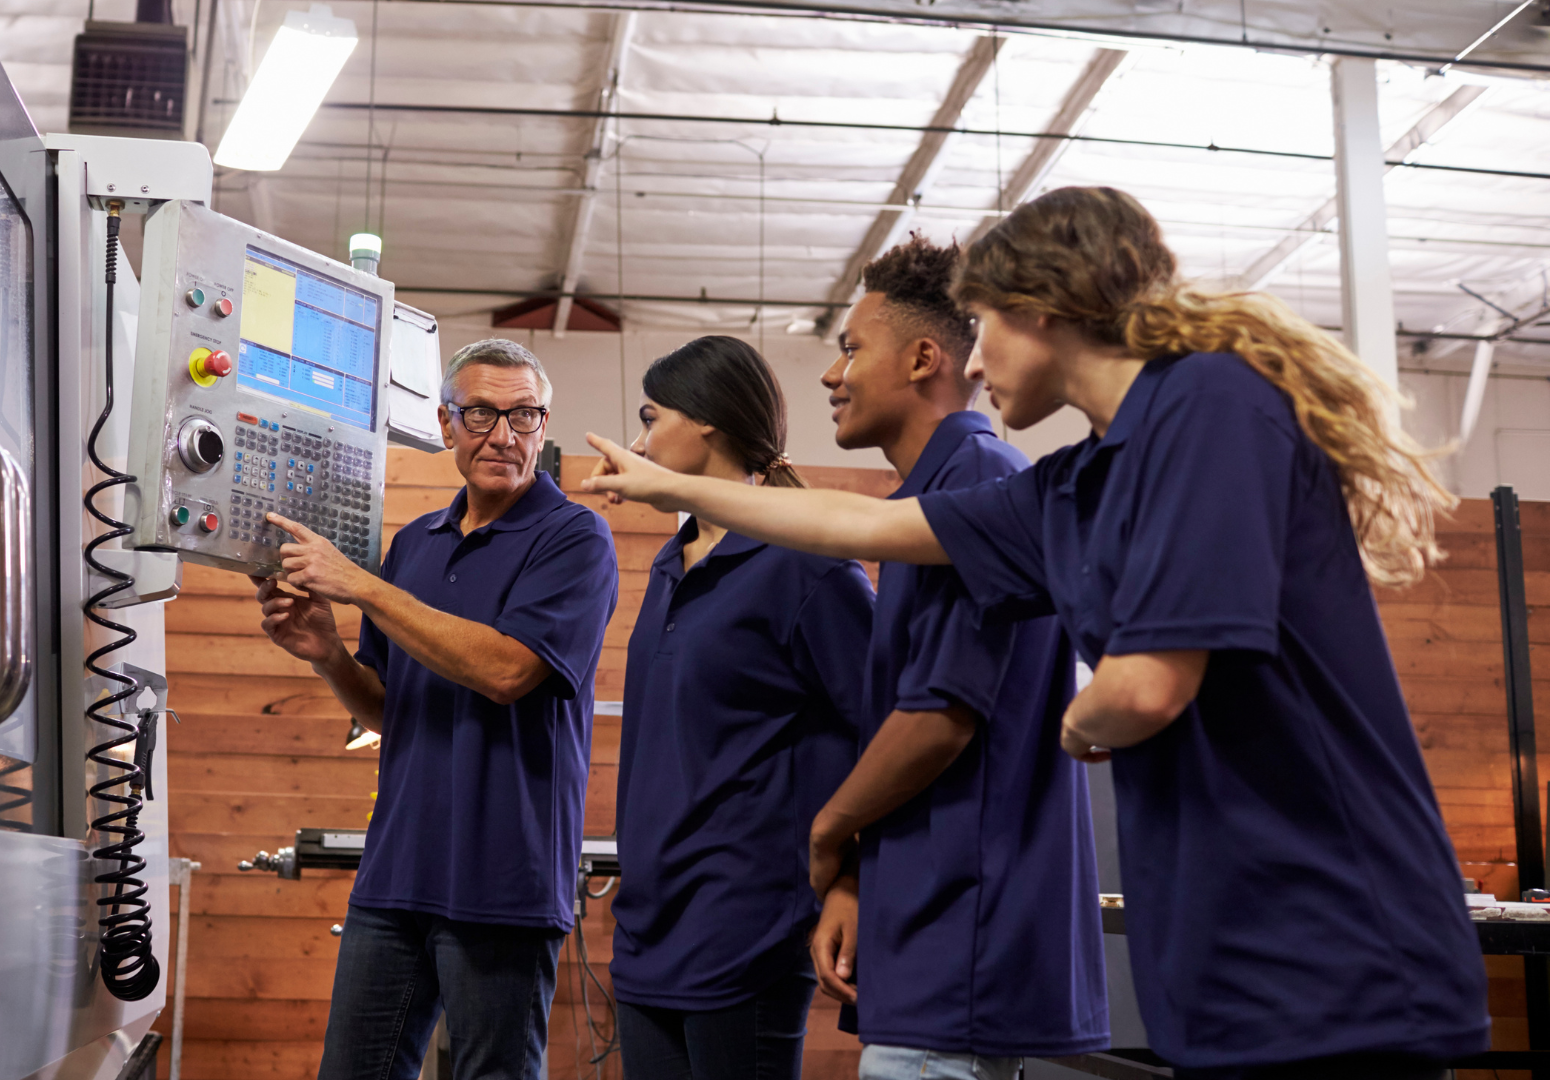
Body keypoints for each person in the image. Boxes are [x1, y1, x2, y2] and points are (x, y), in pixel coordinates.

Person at [579, 187, 1487, 1080]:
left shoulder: (1209, 399)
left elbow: (1145, 686)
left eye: (989, 327)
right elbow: (865, 529)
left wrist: (1077, 722)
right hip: (1217, 946)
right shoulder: (1072, 484)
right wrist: (677, 489)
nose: (976, 364)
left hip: (1332, 933)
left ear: (1045, 308)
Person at [256, 338, 620, 1080]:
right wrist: (327, 650)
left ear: (543, 426)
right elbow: (391, 709)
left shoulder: (574, 538)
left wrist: (365, 588)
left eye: (525, 415)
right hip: (396, 873)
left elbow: (509, 671)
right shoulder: (415, 544)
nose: (504, 435)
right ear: (447, 423)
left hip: (505, 881)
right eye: (482, 413)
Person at [803, 238, 1108, 1080]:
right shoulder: (928, 499)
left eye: (852, 348)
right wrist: (858, 878)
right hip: (924, 927)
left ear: (924, 356)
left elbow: (940, 718)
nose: (834, 374)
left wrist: (830, 829)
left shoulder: (977, 482)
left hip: (963, 936)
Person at [599, 336, 874, 1080]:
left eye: (651, 417)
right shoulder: (669, 564)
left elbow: (881, 734)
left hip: (747, 928)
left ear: (709, 424)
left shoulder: (809, 566)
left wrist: (846, 878)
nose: (639, 441)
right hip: (649, 927)